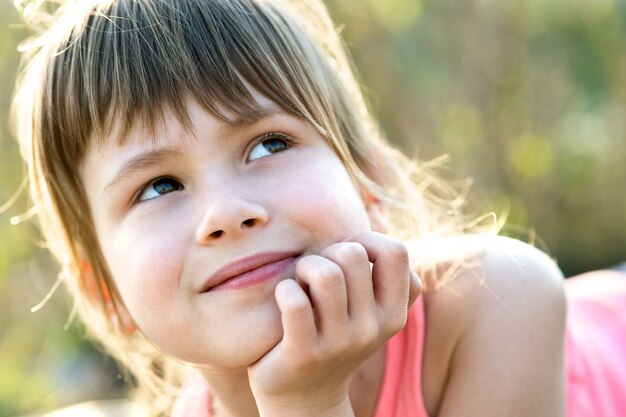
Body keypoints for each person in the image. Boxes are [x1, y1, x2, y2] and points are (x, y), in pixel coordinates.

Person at [10, 0, 626, 416]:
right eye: (158, 186)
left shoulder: (497, 299)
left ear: (366, 178)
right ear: (102, 291)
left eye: (268, 144)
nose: (226, 212)